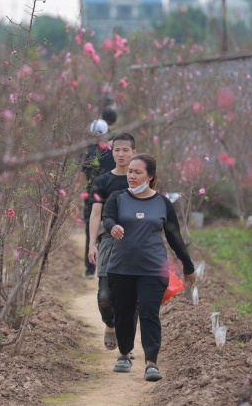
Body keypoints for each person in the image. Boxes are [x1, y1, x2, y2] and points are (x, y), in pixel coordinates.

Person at [102, 153, 196, 382]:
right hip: (120, 268)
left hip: (153, 269)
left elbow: (175, 238)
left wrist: (188, 265)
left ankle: (151, 362)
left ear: (150, 176)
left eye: (137, 172)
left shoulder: (162, 203)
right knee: (124, 313)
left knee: (148, 312)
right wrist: (113, 227)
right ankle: (124, 354)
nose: (131, 176)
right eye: (130, 172)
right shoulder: (117, 197)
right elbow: (107, 218)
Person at [86, 133, 136, 352]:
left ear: (134, 152)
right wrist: (92, 244)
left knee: (131, 296)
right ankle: (110, 323)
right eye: (117, 150)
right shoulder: (102, 181)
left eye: (126, 150)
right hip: (107, 241)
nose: (121, 154)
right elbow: (95, 214)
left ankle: (126, 346)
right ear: (111, 152)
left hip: (135, 242)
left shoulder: (141, 179)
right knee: (106, 296)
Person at [79, 118, 115, 278]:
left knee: (90, 230)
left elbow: (81, 172)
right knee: (112, 229)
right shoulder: (112, 152)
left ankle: (89, 269)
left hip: (91, 194)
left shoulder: (86, 152)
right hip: (110, 195)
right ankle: (110, 267)